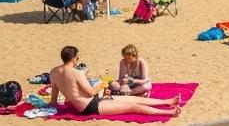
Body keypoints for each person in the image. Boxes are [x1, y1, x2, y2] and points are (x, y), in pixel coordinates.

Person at [49, 45, 180, 118]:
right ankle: (169, 112)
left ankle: (168, 101)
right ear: (75, 58)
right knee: (133, 107)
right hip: (90, 106)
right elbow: (89, 93)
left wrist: (58, 107)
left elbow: (54, 98)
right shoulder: (77, 73)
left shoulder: (54, 72)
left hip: (91, 102)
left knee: (134, 100)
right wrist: (102, 85)